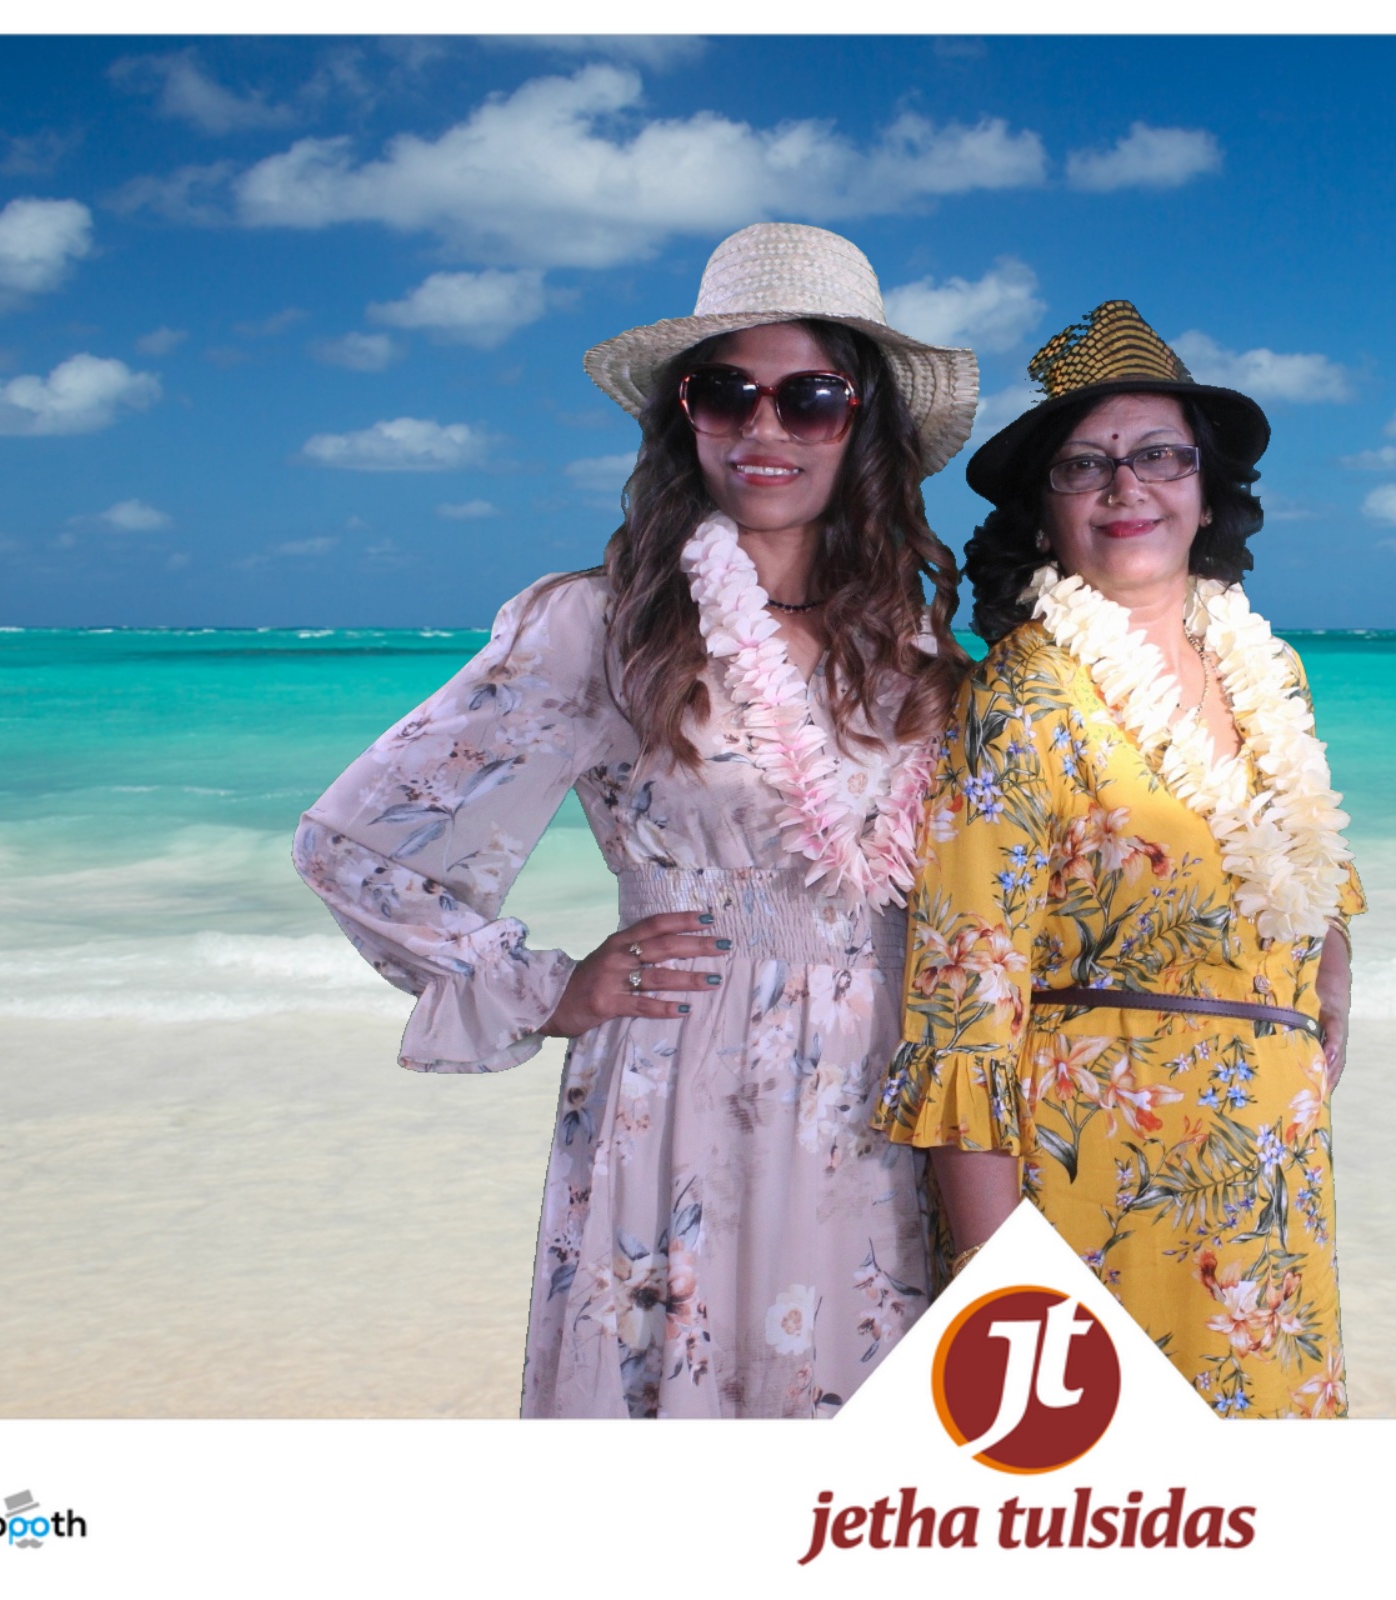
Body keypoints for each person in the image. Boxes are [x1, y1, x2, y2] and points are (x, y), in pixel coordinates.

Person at [294, 223, 978, 1418]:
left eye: (810, 398)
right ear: (685, 417)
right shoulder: (602, 625)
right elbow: (354, 843)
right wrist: (547, 987)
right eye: (727, 392)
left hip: (890, 1095)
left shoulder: (911, 646)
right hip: (686, 1080)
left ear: (862, 424)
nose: (765, 427)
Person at [876, 301, 1363, 1419]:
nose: (1125, 486)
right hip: (1095, 1181)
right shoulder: (1021, 696)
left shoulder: (1269, 668)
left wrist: (1331, 953)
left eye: (1159, 456)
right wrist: (1002, 1294)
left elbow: (1303, 848)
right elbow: (962, 1005)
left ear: (1207, 489)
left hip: (1271, 1182)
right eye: (1083, 465)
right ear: (1045, 514)